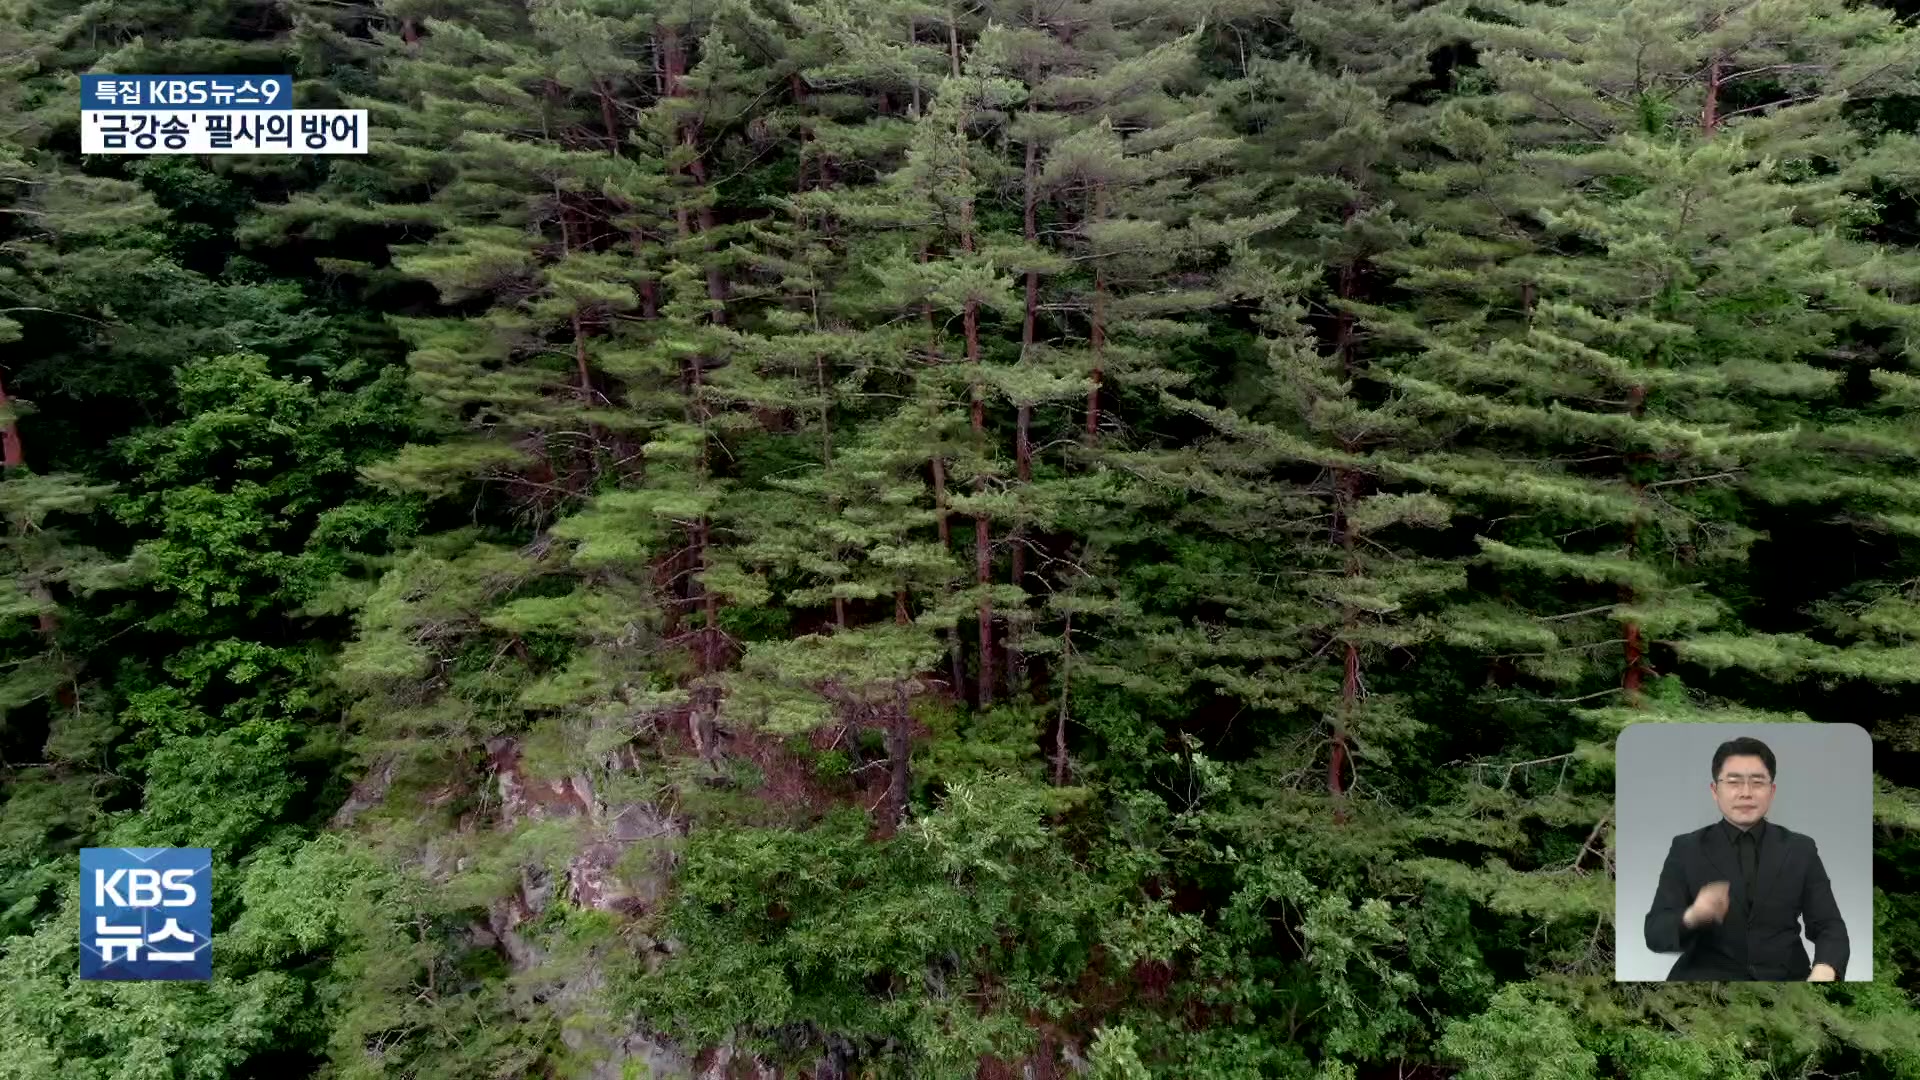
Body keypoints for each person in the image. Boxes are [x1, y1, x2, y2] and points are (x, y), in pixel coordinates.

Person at [1642, 736, 1848, 981]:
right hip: (1705, 985)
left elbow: (1830, 926)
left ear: (1772, 791)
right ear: (1714, 791)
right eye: (1734, 782)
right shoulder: (1686, 848)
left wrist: (1824, 969)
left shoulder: (1800, 849)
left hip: (1785, 981)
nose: (1746, 793)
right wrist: (1693, 915)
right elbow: (1655, 931)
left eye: (1757, 782)